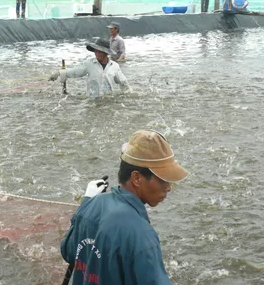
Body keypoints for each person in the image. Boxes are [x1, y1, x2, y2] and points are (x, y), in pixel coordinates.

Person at [60, 129, 189, 285]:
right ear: (136, 178)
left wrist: (86, 203)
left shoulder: (92, 205)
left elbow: (68, 251)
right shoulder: (141, 236)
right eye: (163, 180)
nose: (168, 187)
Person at [49, 38, 131, 97]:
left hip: (108, 100)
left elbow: (123, 82)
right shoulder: (89, 64)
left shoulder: (114, 66)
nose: (97, 53)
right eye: (96, 51)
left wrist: (129, 95)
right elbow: (75, 71)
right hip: (92, 100)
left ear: (106, 53)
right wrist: (59, 73)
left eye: (100, 51)